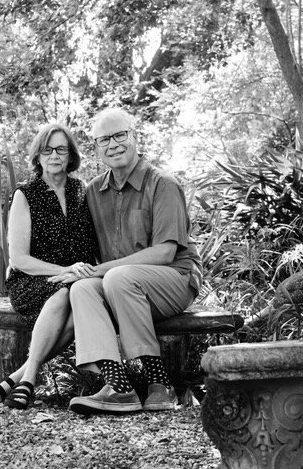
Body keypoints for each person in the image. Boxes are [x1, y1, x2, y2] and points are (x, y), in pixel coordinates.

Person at [50, 107, 202, 414]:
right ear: (97, 147)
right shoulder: (94, 191)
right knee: (82, 289)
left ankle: (160, 383)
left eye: (120, 135)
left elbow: (165, 253)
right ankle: (119, 387)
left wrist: (100, 270)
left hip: (175, 279)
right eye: (104, 139)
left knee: (117, 277)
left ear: (135, 137)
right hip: (121, 288)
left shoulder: (163, 184)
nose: (114, 144)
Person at [0, 123, 96, 410]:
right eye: (47, 150)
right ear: (38, 156)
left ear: (71, 155)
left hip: (74, 281)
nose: (54, 155)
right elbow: (19, 259)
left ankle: (15, 379)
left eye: (61, 149)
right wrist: (63, 271)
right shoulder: (26, 194)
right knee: (66, 293)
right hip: (30, 280)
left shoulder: (81, 191)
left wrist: (77, 272)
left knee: (75, 301)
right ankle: (30, 378)